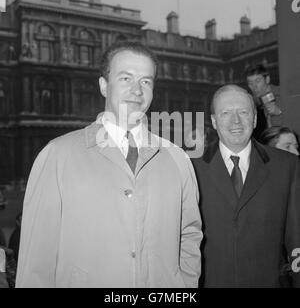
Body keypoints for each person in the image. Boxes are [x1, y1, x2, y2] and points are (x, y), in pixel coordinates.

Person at [16, 41, 202, 288]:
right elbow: (36, 260)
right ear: (104, 86)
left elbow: (189, 235)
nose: (137, 90)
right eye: (126, 78)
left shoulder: (178, 159)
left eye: (146, 81)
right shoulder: (56, 155)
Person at [192, 84, 300, 287]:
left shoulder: (287, 166)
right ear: (214, 121)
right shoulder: (191, 167)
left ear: (255, 118)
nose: (236, 121)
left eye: (243, 112)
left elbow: (297, 237)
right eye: (226, 113)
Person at [246, 64, 282, 139]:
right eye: (250, 83)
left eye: (257, 81)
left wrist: (280, 112)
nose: (254, 86)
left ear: (267, 79)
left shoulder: (283, 94)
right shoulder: (253, 101)